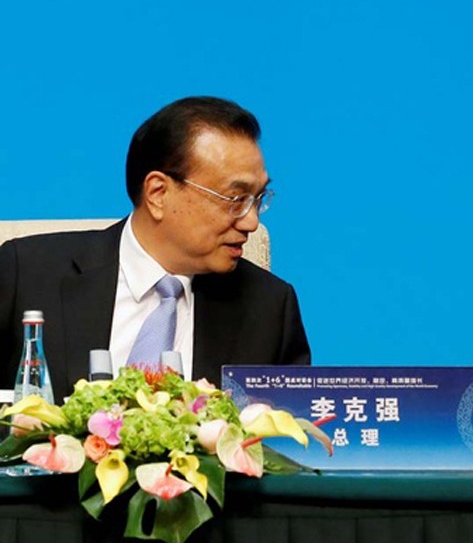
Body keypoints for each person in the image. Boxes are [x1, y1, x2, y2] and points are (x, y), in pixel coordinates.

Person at [0, 96, 310, 402]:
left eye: (257, 199)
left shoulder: (268, 308)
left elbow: (287, 442)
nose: (251, 222)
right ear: (158, 193)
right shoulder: (25, 274)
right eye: (235, 199)